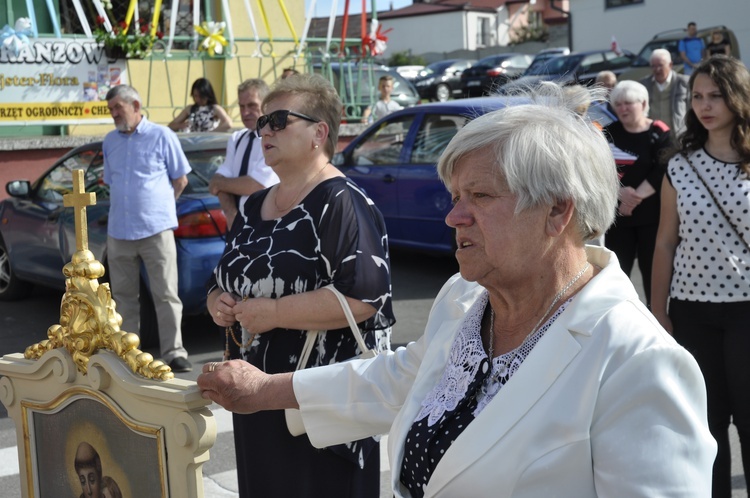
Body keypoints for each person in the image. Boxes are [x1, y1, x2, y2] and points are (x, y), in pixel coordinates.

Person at [198, 82, 716, 497]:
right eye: (454, 195)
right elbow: (399, 377)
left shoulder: (638, 362)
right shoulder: (466, 299)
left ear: (559, 210)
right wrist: (265, 391)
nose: (453, 216)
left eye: (481, 196)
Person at [205, 73, 395, 497]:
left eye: (278, 120)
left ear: (318, 133)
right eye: (261, 124)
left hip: (321, 407)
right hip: (255, 398)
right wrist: (218, 300)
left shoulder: (343, 203)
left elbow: (364, 296)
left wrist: (273, 313)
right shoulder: (254, 204)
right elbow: (221, 276)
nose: (265, 131)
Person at [652, 55, 750, 498]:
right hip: (691, 311)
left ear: (737, 98)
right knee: (705, 425)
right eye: (697, 97)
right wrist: (658, 310)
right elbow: (665, 243)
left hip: (747, 310)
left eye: (716, 96)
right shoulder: (680, 165)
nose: (705, 105)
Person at [103, 85, 192, 373]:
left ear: (136, 104)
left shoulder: (162, 135)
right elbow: (109, 181)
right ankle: (130, 353)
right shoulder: (109, 141)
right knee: (124, 297)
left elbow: (180, 180)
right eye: (111, 109)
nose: (114, 114)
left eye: (118, 107)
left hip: (156, 229)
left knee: (166, 293)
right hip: (119, 231)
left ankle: (174, 352)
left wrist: (161, 207)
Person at [603, 80, 671, 306]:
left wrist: (634, 198)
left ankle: (657, 317)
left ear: (643, 104)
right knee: (617, 273)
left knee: (653, 273)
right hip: (618, 219)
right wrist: (619, 193)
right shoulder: (607, 134)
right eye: (618, 104)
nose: (622, 109)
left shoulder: (659, 132)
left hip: (652, 219)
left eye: (628, 103)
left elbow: (664, 169)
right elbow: (597, 168)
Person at [209, 79, 279, 228]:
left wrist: (222, 184)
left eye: (252, 105)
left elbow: (257, 185)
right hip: (237, 229)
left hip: (264, 228)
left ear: (266, 105)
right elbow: (217, 182)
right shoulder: (237, 138)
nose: (245, 112)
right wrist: (232, 216)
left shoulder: (276, 139)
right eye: (241, 106)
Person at [639, 48, 690, 138]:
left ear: (670, 65)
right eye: (653, 66)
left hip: (679, 136)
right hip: (654, 137)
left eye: (660, 65)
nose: (657, 69)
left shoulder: (684, 83)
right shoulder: (644, 85)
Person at [168, 78, 232, 133]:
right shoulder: (190, 109)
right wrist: (181, 125)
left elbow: (228, 124)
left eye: (201, 96)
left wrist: (212, 133)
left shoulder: (215, 108)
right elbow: (171, 125)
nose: (198, 99)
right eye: (195, 96)